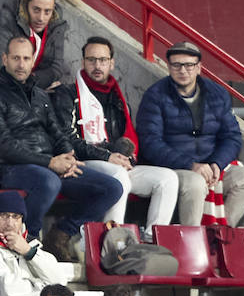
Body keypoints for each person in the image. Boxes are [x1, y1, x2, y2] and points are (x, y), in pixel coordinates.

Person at [0, 36, 125, 261]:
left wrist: (68, 157)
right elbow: (2, 146)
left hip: (48, 165)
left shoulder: (40, 94)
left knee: (112, 188)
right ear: (5, 59)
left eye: (26, 58)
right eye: (16, 58)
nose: (21, 64)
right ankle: (30, 238)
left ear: (33, 60)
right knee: (48, 181)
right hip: (10, 168)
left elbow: (57, 133)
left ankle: (62, 233)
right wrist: (50, 163)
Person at [54, 36, 180, 228]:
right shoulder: (68, 94)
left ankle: (152, 240)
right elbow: (68, 140)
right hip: (84, 163)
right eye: (91, 60)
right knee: (118, 176)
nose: (97, 65)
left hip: (115, 163)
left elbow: (127, 140)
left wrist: (127, 159)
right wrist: (107, 156)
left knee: (167, 179)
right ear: (83, 62)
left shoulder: (119, 100)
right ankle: (113, 240)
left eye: (103, 60)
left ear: (111, 63)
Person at [136, 41, 244, 226]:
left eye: (189, 65)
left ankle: (218, 232)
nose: (183, 70)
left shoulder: (217, 94)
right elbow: (150, 143)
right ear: (169, 66)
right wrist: (190, 165)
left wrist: (216, 164)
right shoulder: (155, 96)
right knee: (196, 183)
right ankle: (192, 239)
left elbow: (232, 137)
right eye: (176, 65)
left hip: (211, 165)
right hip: (173, 167)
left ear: (199, 68)